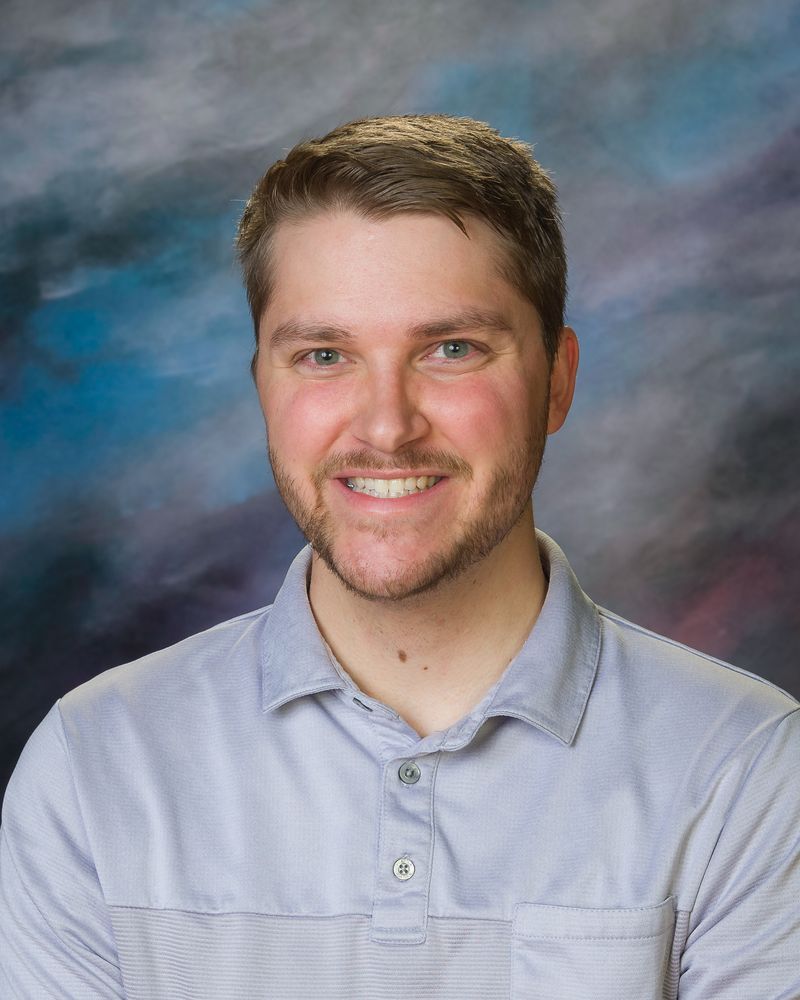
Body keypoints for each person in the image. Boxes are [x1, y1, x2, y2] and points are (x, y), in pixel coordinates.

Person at [1, 114, 798, 999]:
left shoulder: (747, 772)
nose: (386, 424)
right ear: (264, 386)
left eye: (451, 350)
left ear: (557, 381)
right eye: (324, 354)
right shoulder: (97, 766)